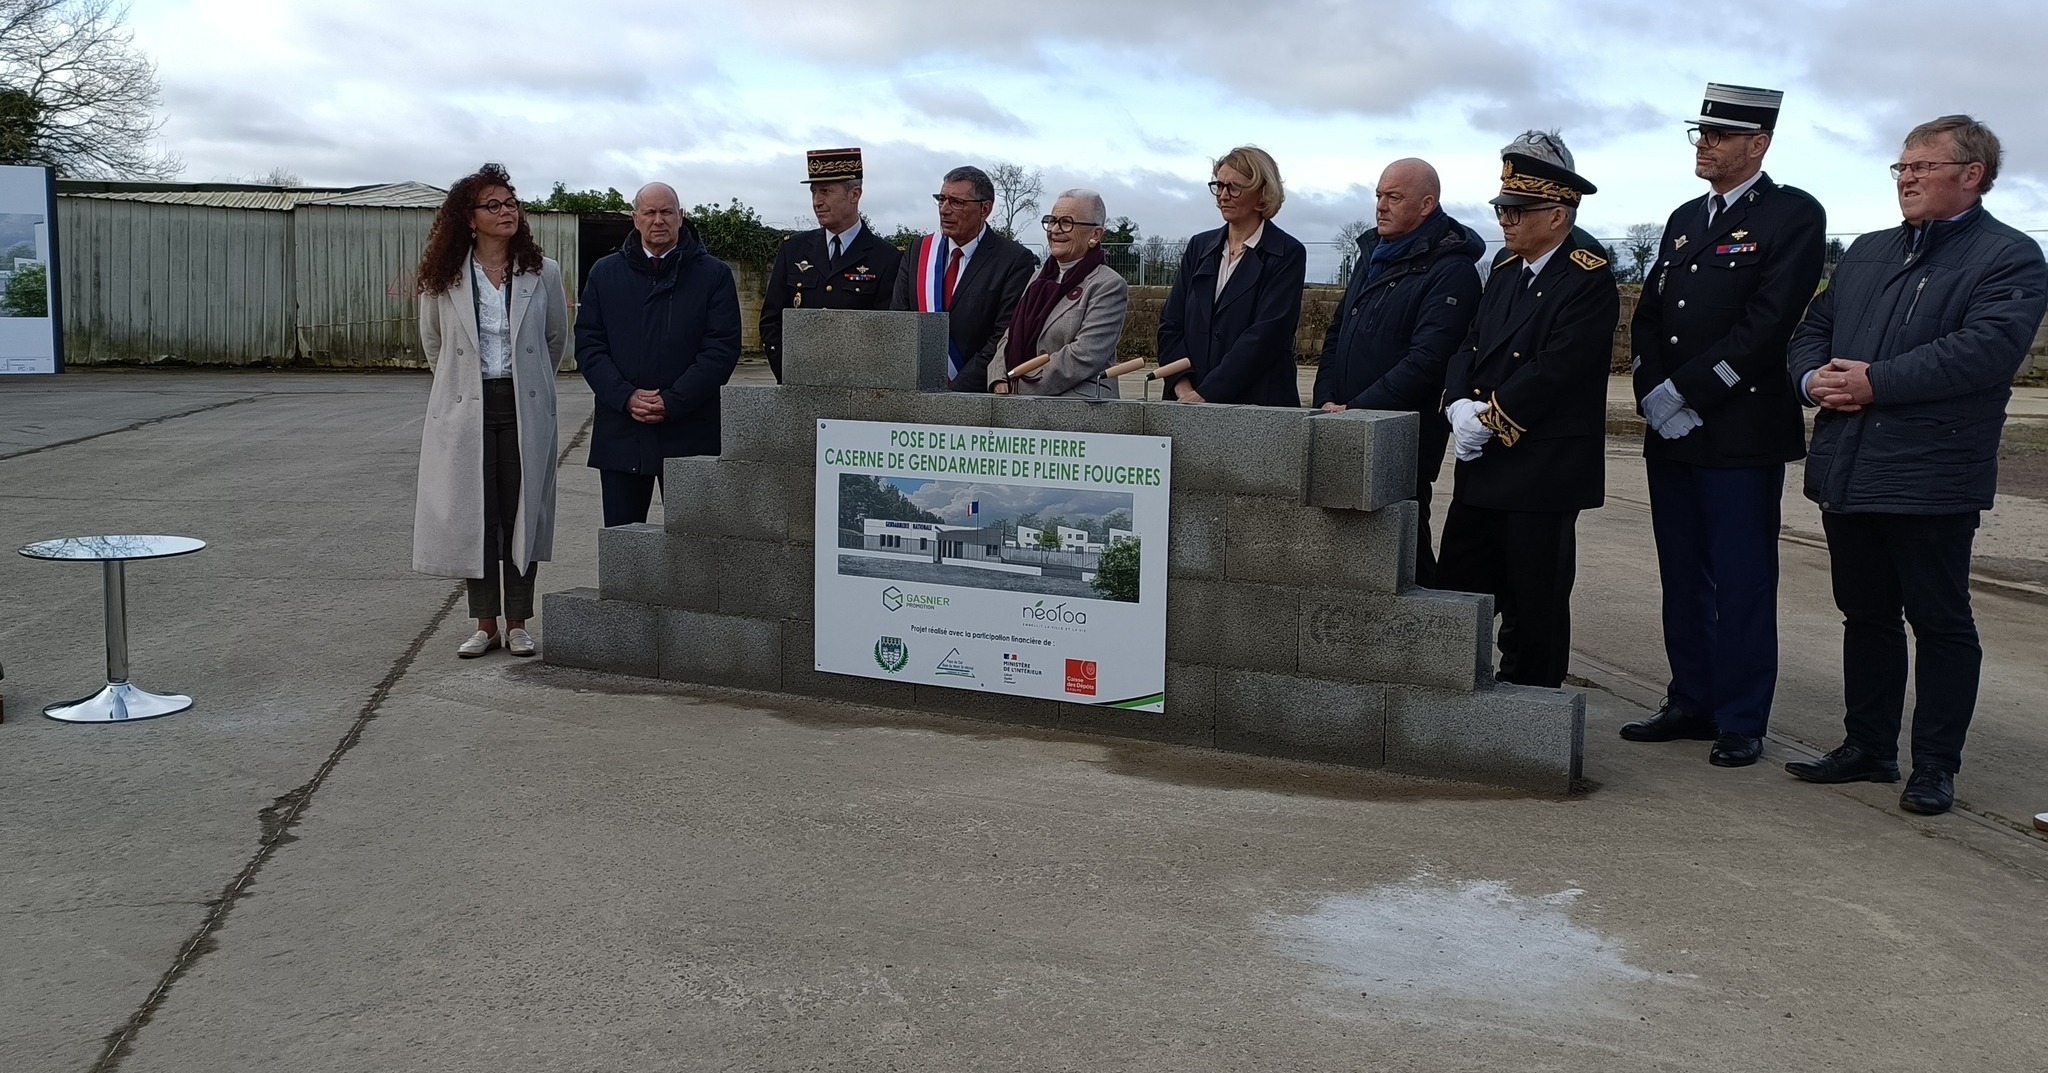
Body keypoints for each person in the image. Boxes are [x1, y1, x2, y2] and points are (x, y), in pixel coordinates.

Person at [1783, 115, 2048, 815]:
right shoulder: (1869, 252)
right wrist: (1813, 380)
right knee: (1864, 614)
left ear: (1973, 175)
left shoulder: (2009, 258)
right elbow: (1813, 327)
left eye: (1921, 167)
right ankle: (1867, 747)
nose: (1906, 178)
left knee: (1940, 620)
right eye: (1901, 167)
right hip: (1850, 466)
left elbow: (1985, 349)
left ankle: (1934, 765)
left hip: (1933, 474)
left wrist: (1878, 381)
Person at [1618, 84, 1828, 768]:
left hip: (1738, 430)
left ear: (1757, 144)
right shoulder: (1684, 219)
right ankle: (1691, 699)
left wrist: (1691, 392)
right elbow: (1649, 313)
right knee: (1682, 573)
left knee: (1741, 579)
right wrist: (1652, 389)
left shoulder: (1792, 215)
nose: (1703, 143)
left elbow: (1767, 325)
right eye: (1699, 133)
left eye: (1717, 134)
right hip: (1670, 429)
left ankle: (1740, 717)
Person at [1436, 132, 1619, 689]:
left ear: (1557, 215)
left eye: (1517, 210)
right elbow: (1470, 342)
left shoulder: (1586, 275)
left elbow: (1558, 368)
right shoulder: (1505, 269)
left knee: (1534, 599)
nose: (1505, 220)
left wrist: (1489, 417)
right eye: (1502, 208)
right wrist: (1457, 406)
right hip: (1484, 461)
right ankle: (1451, 692)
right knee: (1459, 589)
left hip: (1542, 465)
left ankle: (1532, 710)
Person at [411, 163, 567, 659]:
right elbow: (434, 344)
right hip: (466, 410)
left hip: (522, 406)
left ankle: (518, 622)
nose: (507, 212)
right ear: (469, 218)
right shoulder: (445, 276)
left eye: (511, 203)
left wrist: (529, 385)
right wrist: (460, 391)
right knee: (475, 516)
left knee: (521, 515)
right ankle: (484, 624)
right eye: (493, 205)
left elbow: (554, 340)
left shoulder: (543, 271)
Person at [1312, 158, 1485, 585]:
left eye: (1394, 197)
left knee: (1405, 544)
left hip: (1403, 435)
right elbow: (1338, 334)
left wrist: (1357, 407)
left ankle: (1435, 631)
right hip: (1345, 421)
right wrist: (1326, 399)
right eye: (1378, 195)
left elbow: (1428, 362)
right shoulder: (1373, 254)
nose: (1381, 206)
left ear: (1427, 204)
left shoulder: (1452, 271)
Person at [576, 182, 741, 528]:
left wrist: (674, 400)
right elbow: (589, 346)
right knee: (623, 545)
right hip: (622, 434)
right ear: (635, 219)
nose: (658, 220)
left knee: (695, 547)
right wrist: (625, 396)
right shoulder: (605, 274)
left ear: (681, 217)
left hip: (690, 433)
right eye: (649, 212)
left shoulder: (714, 275)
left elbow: (721, 349)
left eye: (667, 212)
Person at [1157, 146, 1307, 406]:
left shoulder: (1287, 253)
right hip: (1186, 402)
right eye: (1219, 185)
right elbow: (1170, 325)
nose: (1223, 196)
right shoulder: (1198, 247)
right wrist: (1182, 387)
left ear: (1262, 192)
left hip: (1257, 406)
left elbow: (1266, 336)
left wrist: (1207, 393)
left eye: (1234, 187)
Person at [890, 165, 1038, 391]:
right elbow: (898, 320)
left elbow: (1003, 336)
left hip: (973, 394)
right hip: (913, 389)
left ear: (984, 209)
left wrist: (955, 391)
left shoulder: (1014, 260)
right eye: (941, 199)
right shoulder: (919, 251)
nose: (944, 210)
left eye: (956, 202)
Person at [759, 148, 901, 382]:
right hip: (798, 383)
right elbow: (772, 320)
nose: (817, 202)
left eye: (825, 191)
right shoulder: (793, 250)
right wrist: (789, 374)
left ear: (855, 194)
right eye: (814, 192)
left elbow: (885, 332)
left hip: (856, 386)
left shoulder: (886, 258)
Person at [987, 188, 1130, 398]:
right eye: (1052, 221)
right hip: (1018, 402)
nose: (1054, 229)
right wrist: (998, 377)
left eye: (1066, 222)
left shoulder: (1108, 285)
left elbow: (1084, 355)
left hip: (1078, 410)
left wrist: (1020, 386)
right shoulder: (1037, 278)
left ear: (1096, 234)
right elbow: (1009, 335)